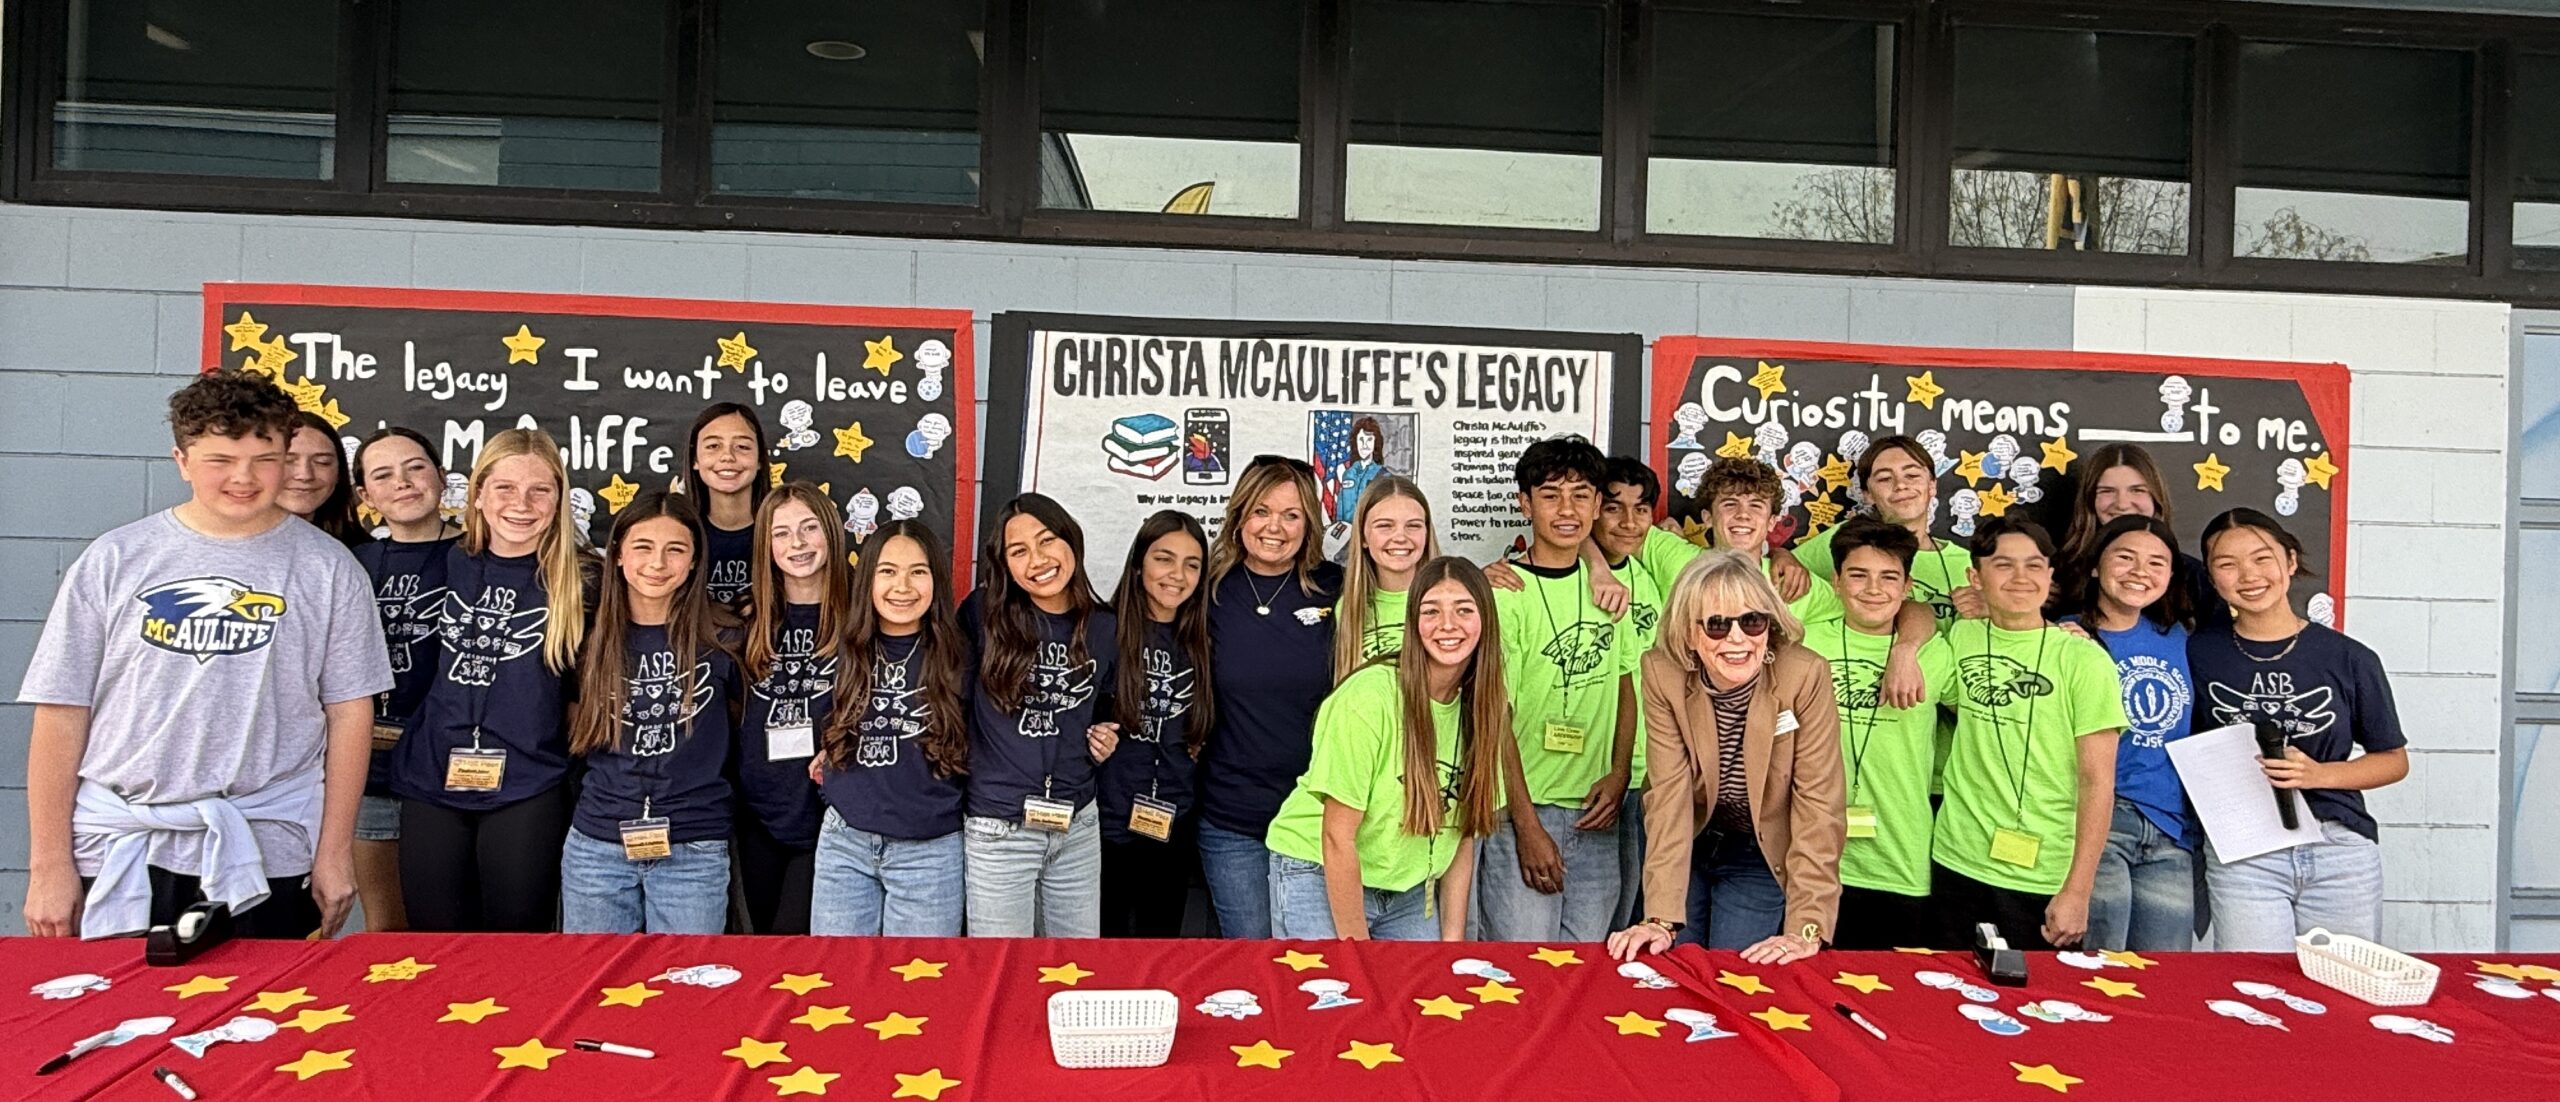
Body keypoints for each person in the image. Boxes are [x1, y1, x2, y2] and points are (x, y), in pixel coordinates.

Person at [19, 369, 390, 939]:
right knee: (120, 1021)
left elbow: (349, 714)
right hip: (119, 841)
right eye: (220, 459)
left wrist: (334, 851)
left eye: (264, 459)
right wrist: (48, 864)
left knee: (260, 1022)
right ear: (182, 459)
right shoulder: (115, 559)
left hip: (267, 841)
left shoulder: (329, 568)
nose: (243, 478)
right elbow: (62, 711)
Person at [390, 428, 589, 932]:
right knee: (433, 945)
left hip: (530, 782)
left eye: (539, 490)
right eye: (504, 488)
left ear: (559, 499)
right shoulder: (442, 563)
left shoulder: (584, 580)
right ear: (477, 494)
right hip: (432, 778)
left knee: (517, 947)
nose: (521, 504)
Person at [1608, 550, 1845, 963]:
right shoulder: (1661, 671)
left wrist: (1807, 928)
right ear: (1687, 633)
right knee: (1675, 963)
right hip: (1689, 836)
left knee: (1737, 971)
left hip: (1760, 845)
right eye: (1717, 625)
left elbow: (1818, 805)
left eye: (1752, 621)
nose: (1737, 638)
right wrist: (1661, 918)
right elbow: (1669, 795)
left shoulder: (1804, 675)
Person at [2189, 508, 2406, 950]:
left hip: (2339, 847)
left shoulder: (2349, 657)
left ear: (2289, 561)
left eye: (2262, 558)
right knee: (2256, 992)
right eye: (2227, 564)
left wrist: (2320, 775)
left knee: (2344, 988)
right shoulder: (2197, 652)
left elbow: (2393, 760)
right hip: (2245, 851)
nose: (2248, 575)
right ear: (2212, 579)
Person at [1266, 557, 1509, 939]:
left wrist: (1452, 940)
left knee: (1419, 997)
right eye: (1431, 611)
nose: (1448, 625)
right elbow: (1336, 836)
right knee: (1345, 993)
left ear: (1486, 622)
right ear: (1413, 623)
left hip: (1409, 886)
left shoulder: (1484, 707)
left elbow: (1461, 835)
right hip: (1321, 868)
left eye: (1464, 610)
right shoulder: (1369, 698)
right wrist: (1357, 952)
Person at [1931, 517, 2127, 950]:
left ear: (2050, 575)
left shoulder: (2084, 660)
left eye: (2034, 566)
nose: (2021, 578)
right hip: (1954, 862)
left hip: (2043, 874)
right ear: (1974, 576)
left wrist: (2077, 891)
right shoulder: (1960, 637)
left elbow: (2098, 782)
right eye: (2003, 565)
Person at [561, 492, 744, 934]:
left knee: (689, 990)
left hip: (694, 845)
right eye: (643, 547)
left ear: (696, 561)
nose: (658, 563)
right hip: (598, 847)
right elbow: (569, 725)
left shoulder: (726, 640)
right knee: (594, 989)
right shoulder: (586, 638)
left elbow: (740, 731)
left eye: (675, 549)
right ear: (619, 554)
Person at [1478, 435, 1636, 942]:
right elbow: (1492, 713)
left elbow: (1626, 686)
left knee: (1587, 972)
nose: (1567, 509)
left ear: (1596, 505)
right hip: (1522, 814)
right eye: (1550, 495)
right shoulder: (1505, 594)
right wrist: (1525, 825)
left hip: (1597, 813)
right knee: (1523, 972)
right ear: (1525, 503)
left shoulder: (1609, 591)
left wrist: (1618, 774)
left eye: (1581, 495)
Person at [1194, 456, 1342, 938]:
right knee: (1252, 964)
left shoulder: (1338, 588)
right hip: (1232, 820)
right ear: (1239, 517)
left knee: (1311, 971)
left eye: (1291, 514)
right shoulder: (1207, 592)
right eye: (1261, 511)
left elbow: (1419, 593)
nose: (1274, 527)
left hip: (1316, 817)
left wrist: (1590, 557)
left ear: (1309, 524)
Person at [962, 493, 1119, 937]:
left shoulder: (1104, 626)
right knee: (1002, 973)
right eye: (1019, 551)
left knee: (1077, 968)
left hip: (1078, 827)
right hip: (999, 829)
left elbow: (1106, 707)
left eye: (1047, 540)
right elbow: (945, 693)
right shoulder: (983, 614)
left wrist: (1108, 735)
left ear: (1071, 539)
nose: (1038, 559)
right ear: (1005, 564)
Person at [1799, 518, 1959, 949]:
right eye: (1858, 575)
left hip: (1901, 859)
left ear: (1907, 587)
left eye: (1889, 577)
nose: (1873, 589)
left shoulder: (1934, 652)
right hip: (1812, 864)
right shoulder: (1804, 646)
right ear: (1835, 581)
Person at [809, 520, 971, 936]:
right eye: (887, 571)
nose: (903, 586)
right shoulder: (842, 648)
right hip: (846, 844)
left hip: (930, 852)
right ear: (867, 580)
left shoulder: (961, 656)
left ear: (936, 579)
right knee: (836, 986)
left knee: (917, 993)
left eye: (918, 571)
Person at [345, 427, 463, 933]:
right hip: (373, 771)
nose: (404, 483)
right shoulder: (350, 564)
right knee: (387, 927)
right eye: (384, 475)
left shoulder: (481, 556)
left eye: (416, 467)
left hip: (456, 773)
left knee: (455, 927)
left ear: (440, 476)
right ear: (365, 495)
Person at [2066, 514, 2200, 952]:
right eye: (2125, 557)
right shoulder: (2064, 636)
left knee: (2167, 975)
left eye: (2157, 562)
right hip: (2099, 821)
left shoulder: (2180, 638)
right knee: (2096, 965)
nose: (2140, 571)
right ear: (2094, 566)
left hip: (2169, 828)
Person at [731, 483, 845, 934]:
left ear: (831, 533)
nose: (796, 544)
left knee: (792, 942)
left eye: (809, 528)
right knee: (762, 943)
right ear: (766, 545)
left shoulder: (862, 615)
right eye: (781, 533)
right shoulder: (744, 620)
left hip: (829, 815)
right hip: (758, 812)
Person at [1098, 511, 1215, 937]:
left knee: (1160, 949)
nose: (1178, 575)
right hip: (1106, 826)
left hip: (1173, 822)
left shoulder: (1203, 641)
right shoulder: (1103, 631)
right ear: (1139, 564)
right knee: (1104, 951)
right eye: (1164, 559)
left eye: (1192, 564)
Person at [1590, 456, 1692, 928]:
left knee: (1638, 915)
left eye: (1641, 509)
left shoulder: (1652, 574)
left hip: (1651, 776)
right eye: (1614, 508)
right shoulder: (1560, 574)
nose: (1629, 523)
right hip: (1587, 776)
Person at [1791, 435, 1982, 630]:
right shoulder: (1847, 539)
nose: (1900, 485)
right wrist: (1780, 556)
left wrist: (1992, 609)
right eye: (1885, 478)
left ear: (1932, 485)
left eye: (1912, 475)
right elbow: (1775, 572)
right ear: (1868, 494)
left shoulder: (1967, 562)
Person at [2053, 444, 2224, 628]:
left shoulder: (2192, 576)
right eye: (2107, 491)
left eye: (2137, 490)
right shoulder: (2059, 572)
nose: (2122, 504)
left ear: (2156, 497)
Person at [1331, 475, 1440, 678]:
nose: (1400, 537)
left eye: (1413, 526)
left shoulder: (1452, 601)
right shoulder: (1349, 607)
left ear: (1426, 533)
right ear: (1363, 536)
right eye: (1384, 526)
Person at [685, 403, 771, 608]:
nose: (727, 457)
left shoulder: (784, 531)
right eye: (713, 446)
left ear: (760, 459)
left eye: (742, 446)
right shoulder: (679, 531)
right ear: (695, 459)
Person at [281, 410, 362, 546]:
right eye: (288, 461)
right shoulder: (235, 547)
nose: (305, 475)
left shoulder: (364, 554)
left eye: (322, 462)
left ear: (339, 473)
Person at [1327, 416, 1391, 526]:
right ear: (1355, 442)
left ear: (1375, 443)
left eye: (1369, 440)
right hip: (1346, 534)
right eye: (1361, 440)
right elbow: (1340, 509)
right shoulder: (1348, 474)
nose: (1364, 445)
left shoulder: (1383, 476)